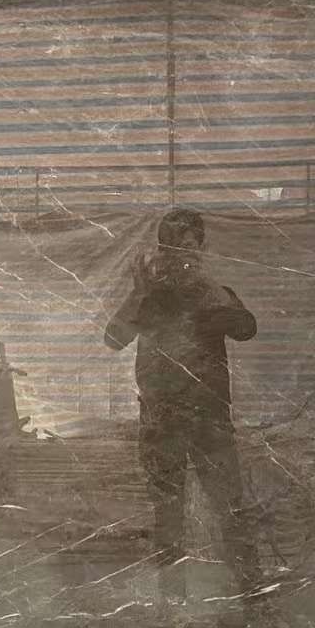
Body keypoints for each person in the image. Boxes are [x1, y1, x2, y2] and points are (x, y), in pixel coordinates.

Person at [105, 208, 260, 605]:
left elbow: (246, 328)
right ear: (163, 250)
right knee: (168, 517)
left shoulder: (214, 294)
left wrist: (207, 287)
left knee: (231, 510)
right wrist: (140, 292)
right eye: (175, 247)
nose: (184, 255)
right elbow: (113, 339)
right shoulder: (151, 298)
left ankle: (255, 600)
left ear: (202, 249)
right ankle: (171, 607)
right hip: (162, 422)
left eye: (191, 246)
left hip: (210, 420)